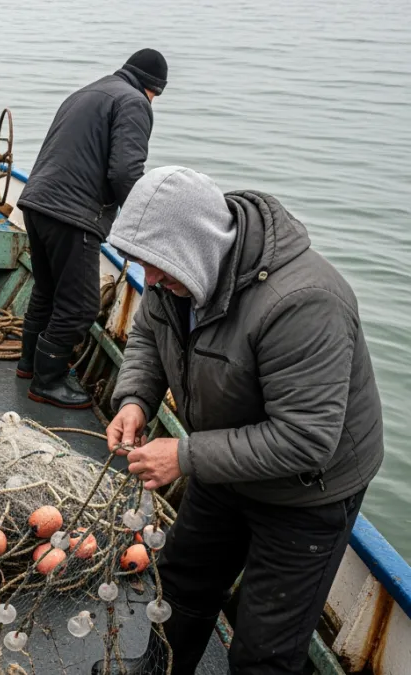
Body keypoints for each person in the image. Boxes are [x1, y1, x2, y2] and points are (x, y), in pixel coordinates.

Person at [104, 166, 384, 674]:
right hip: (224, 461)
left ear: (199, 246)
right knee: (182, 581)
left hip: (306, 493)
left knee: (265, 649)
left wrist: (184, 455)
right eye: (145, 267)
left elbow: (306, 439)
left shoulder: (303, 303)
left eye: (161, 270)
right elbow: (149, 335)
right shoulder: (175, 281)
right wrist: (134, 401)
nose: (152, 282)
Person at [16, 48, 168, 408]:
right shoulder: (134, 102)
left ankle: (28, 365)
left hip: (36, 203)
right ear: (154, 90)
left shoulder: (87, 91)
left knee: (48, 290)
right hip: (73, 213)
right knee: (81, 304)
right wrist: (142, 221)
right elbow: (125, 171)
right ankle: (47, 381)